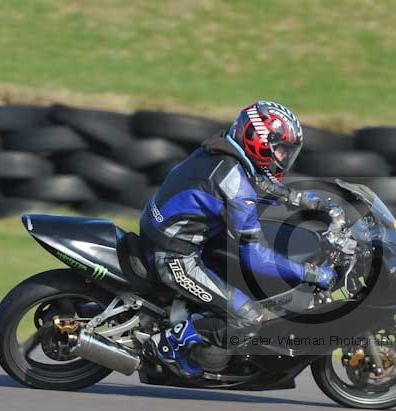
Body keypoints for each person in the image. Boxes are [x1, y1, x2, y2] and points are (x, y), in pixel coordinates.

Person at [139, 101, 336, 378]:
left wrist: (299, 199)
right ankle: (165, 346)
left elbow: (255, 184)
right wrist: (310, 272)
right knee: (246, 317)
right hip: (174, 256)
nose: (283, 158)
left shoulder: (222, 150)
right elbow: (255, 255)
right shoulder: (233, 180)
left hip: (170, 234)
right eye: (280, 150)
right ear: (259, 142)